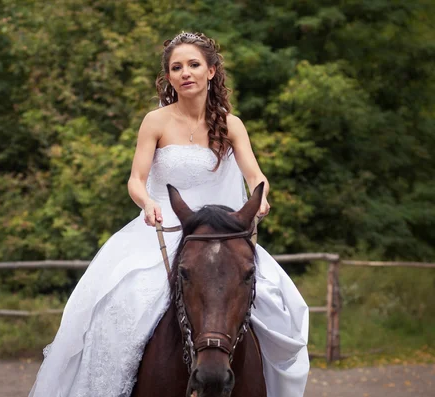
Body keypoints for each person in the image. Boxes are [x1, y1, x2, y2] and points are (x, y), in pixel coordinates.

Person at [28, 32, 309, 397]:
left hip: (221, 233)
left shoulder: (232, 124)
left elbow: (255, 176)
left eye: (193, 65)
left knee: (279, 306)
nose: (185, 73)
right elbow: (136, 180)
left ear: (211, 71)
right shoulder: (155, 121)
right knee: (124, 304)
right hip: (163, 228)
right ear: (169, 77)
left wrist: (262, 197)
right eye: (176, 67)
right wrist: (147, 202)